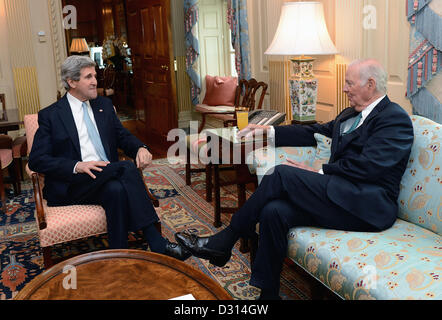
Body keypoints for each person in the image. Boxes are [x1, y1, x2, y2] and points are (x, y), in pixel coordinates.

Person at [175, 59, 414, 299]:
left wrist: (319, 171)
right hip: (340, 195)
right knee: (273, 211)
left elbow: (370, 166)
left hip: (368, 205)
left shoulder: (394, 119)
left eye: (349, 83)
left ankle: (224, 240)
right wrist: (268, 131)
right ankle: (268, 295)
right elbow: (314, 131)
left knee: (280, 173)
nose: (344, 89)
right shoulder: (350, 114)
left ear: (370, 84)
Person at [29, 55, 190, 261]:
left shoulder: (103, 105)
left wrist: (140, 147)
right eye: (88, 77)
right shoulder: (51, 115)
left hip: (107, 177)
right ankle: (157, 242)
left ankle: (118, 257)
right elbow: (37, 160)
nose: (95, 81)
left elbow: (122, 136)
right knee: (126, 169)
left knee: (116, 190)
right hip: (73, 184)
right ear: (72, 82)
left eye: (95, 75)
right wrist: (77, 166)